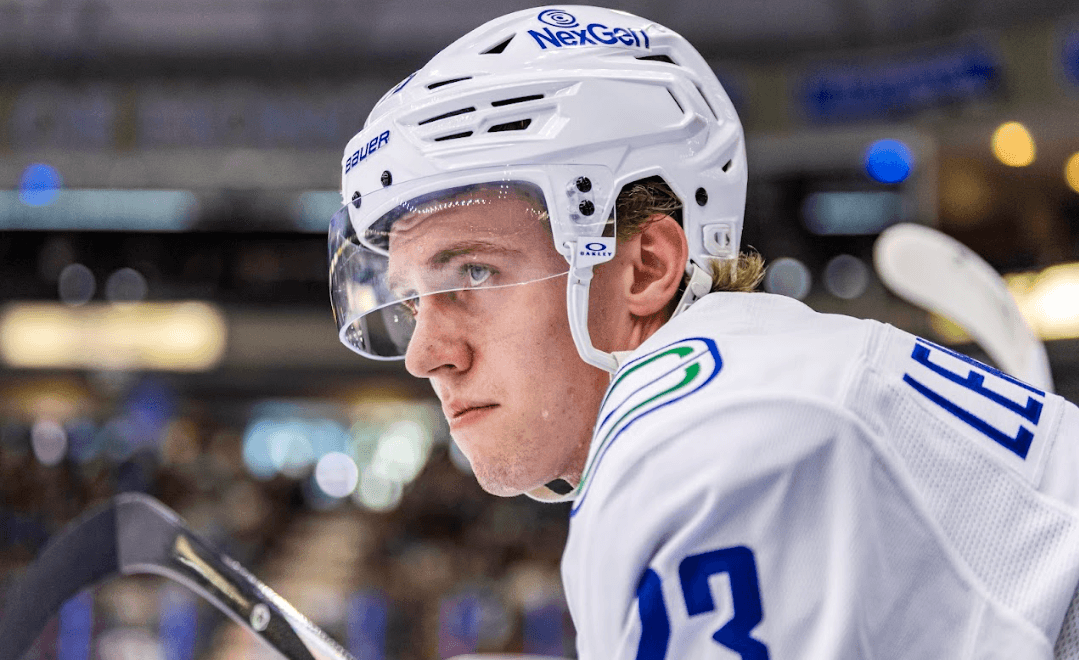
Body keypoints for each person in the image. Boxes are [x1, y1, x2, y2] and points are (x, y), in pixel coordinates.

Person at [327, 6, 1079, 658]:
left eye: (474, 275)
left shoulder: (705, 445)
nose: (426, 354)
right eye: (414, 300)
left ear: (644, 267)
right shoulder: (765, 373)